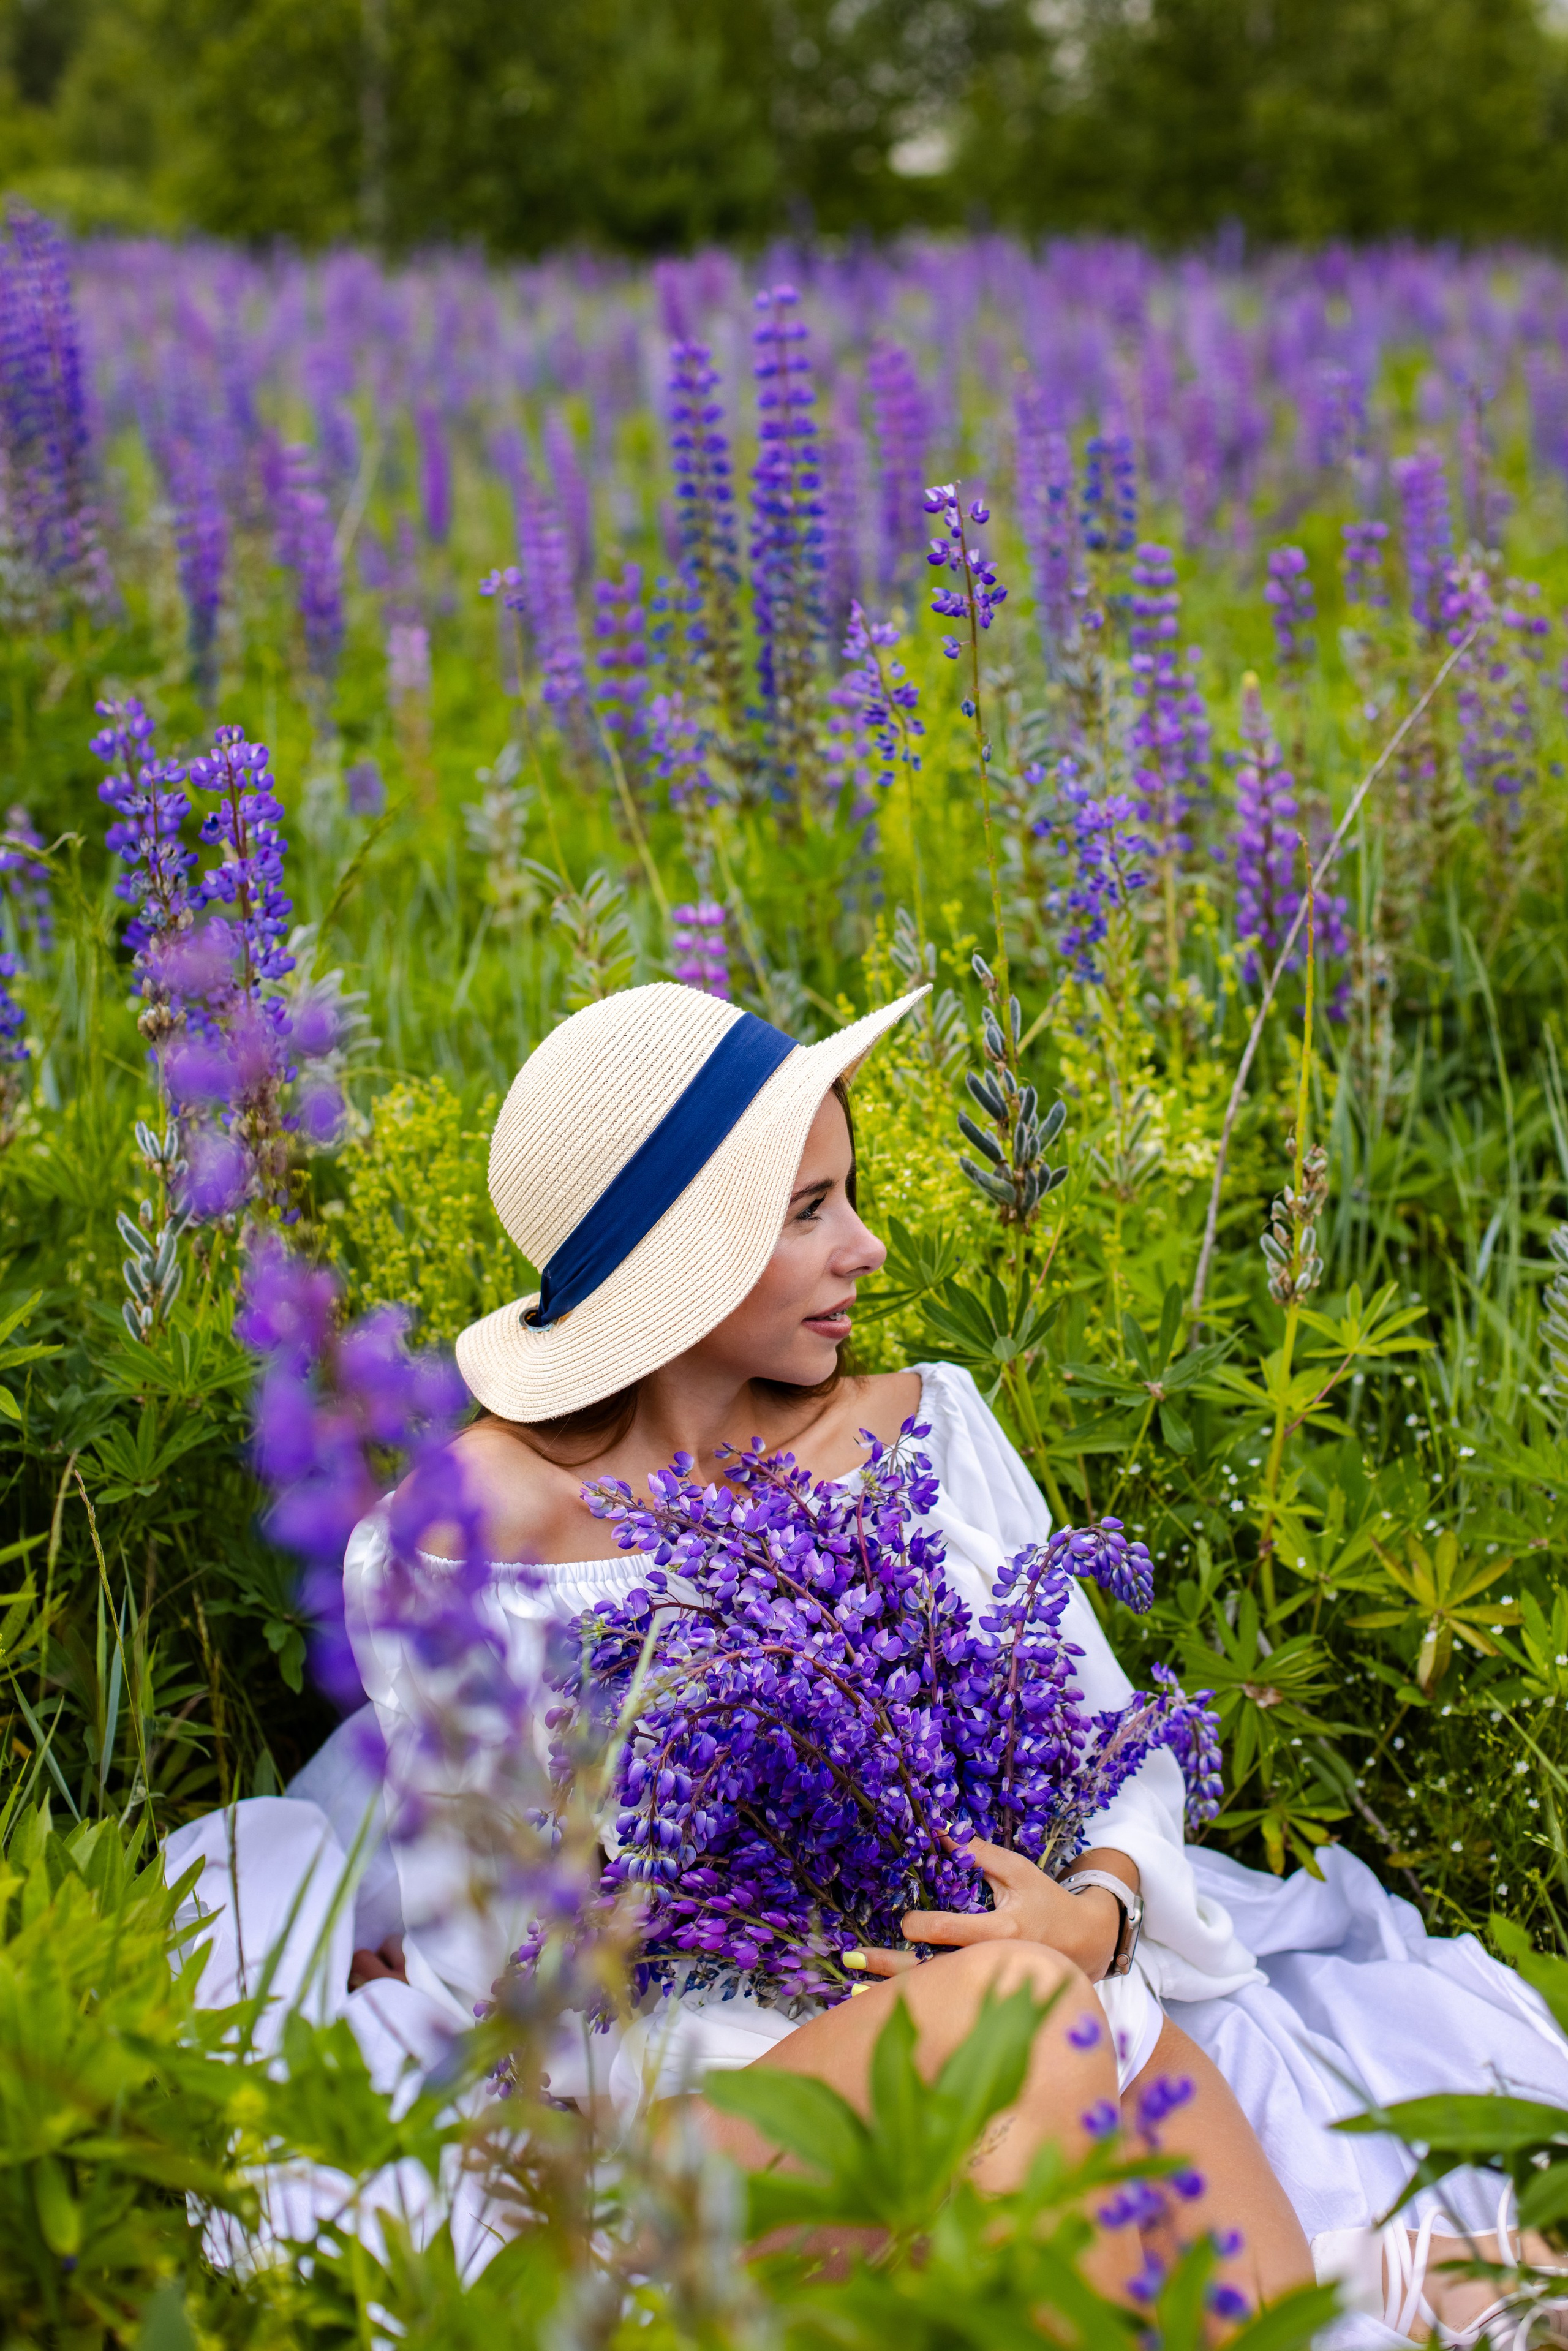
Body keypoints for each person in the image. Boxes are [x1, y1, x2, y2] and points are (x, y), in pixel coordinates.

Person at [176, 983, 1568, 2341]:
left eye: (846, 1195)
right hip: (694, 2089)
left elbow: (1107, 1739)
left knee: (1120, 2067)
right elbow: (507, 1946)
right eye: (807, 1212)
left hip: (1026, 1980)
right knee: (1025, 2018)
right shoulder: (452, 1543)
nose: (869, 1248)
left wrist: (1096, 1906)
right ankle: (1407, 2276)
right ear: (679, 1252)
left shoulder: (923, 1430)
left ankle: (1391, 2281)